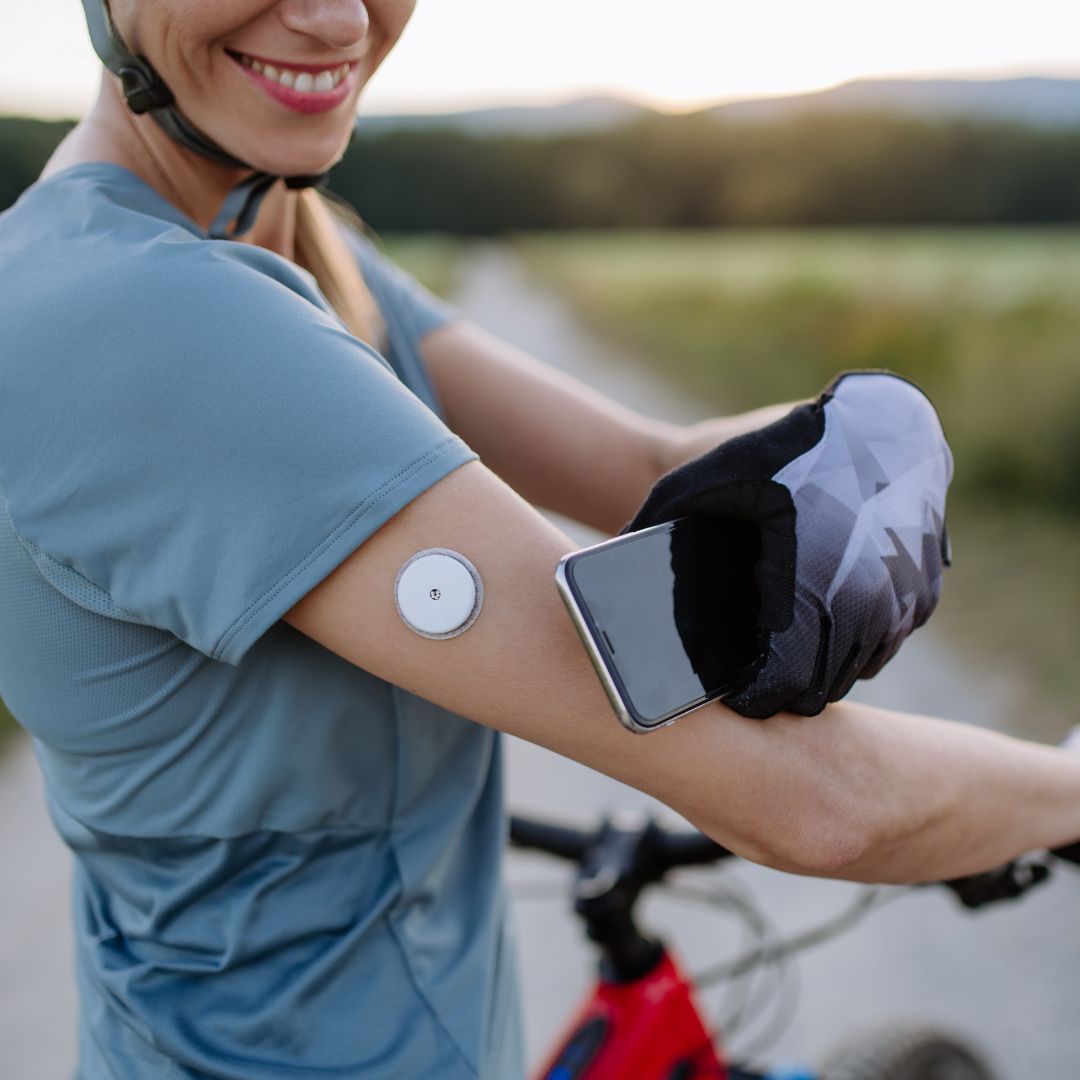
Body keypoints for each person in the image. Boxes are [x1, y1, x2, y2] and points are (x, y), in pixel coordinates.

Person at [0, 2, 1077, 1077]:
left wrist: (871, 438)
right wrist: (1063, 793)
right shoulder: (147, 319)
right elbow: (807, 800)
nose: (335, 17)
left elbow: (641, 465)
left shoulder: (277, 242)